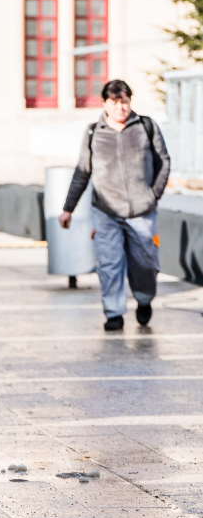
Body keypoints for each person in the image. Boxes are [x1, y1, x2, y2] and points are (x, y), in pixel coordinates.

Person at [59, 79, 170, 331]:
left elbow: (163, 161)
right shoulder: (93, 133)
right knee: (109, 263)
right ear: (105, 104)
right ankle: (114, 312)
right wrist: (68, 208)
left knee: (145, 263)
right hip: (106, 211)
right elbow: (82, 172)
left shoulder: (146, 126)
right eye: (115, 102)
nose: (121, 107)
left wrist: (153, 195)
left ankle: (143, 299)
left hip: (142, 210)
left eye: (125, 101)